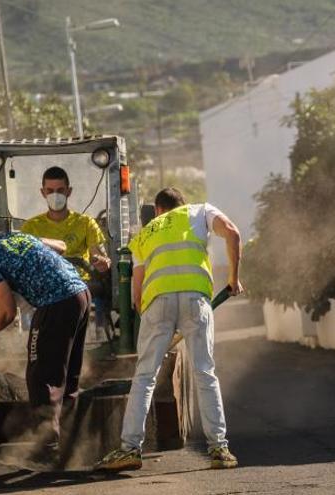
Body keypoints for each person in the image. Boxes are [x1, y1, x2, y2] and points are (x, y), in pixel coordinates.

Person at [97, 187, 243, 472]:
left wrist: (154, 324)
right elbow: (233, 234)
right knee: (205, 372)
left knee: (144, 377)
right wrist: (234, 280)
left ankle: (129, 449)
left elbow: (136, 295)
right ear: (181, 205)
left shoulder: (146, 232)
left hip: (156, 303)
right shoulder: (200, 211)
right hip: (195, 299)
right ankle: (219, 449)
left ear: (158, 210)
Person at [0, 223, 90, 461]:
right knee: (67, 378)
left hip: (56, 301)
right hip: (81, 296)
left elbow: (7, 311)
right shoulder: (11, 237)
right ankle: (71, 445)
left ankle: (47, 449)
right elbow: (60, 247)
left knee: (39, 376)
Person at [21, 166, 111, 339]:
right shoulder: (31, 227)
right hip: (45, 285)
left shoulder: (86, 223)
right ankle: (30, 338)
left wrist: (101, 261)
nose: (56, 195)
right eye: (50, 190)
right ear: (43, 192)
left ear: (69, 191)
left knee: (99, 290)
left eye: (60, 190)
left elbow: (97, 254)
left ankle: (98, 335)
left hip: (80, 284)